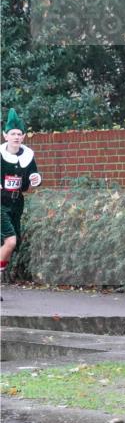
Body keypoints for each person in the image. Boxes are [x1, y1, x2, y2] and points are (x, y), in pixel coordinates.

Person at [1, 109, 41, 292]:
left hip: (17, 204)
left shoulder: (28, 156)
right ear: (5, 135)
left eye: (19, 134)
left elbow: (33, 175)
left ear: (23, 136)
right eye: (12, 134)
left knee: (9, 245)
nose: (16, 137)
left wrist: (35, 179)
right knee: (10, 242)